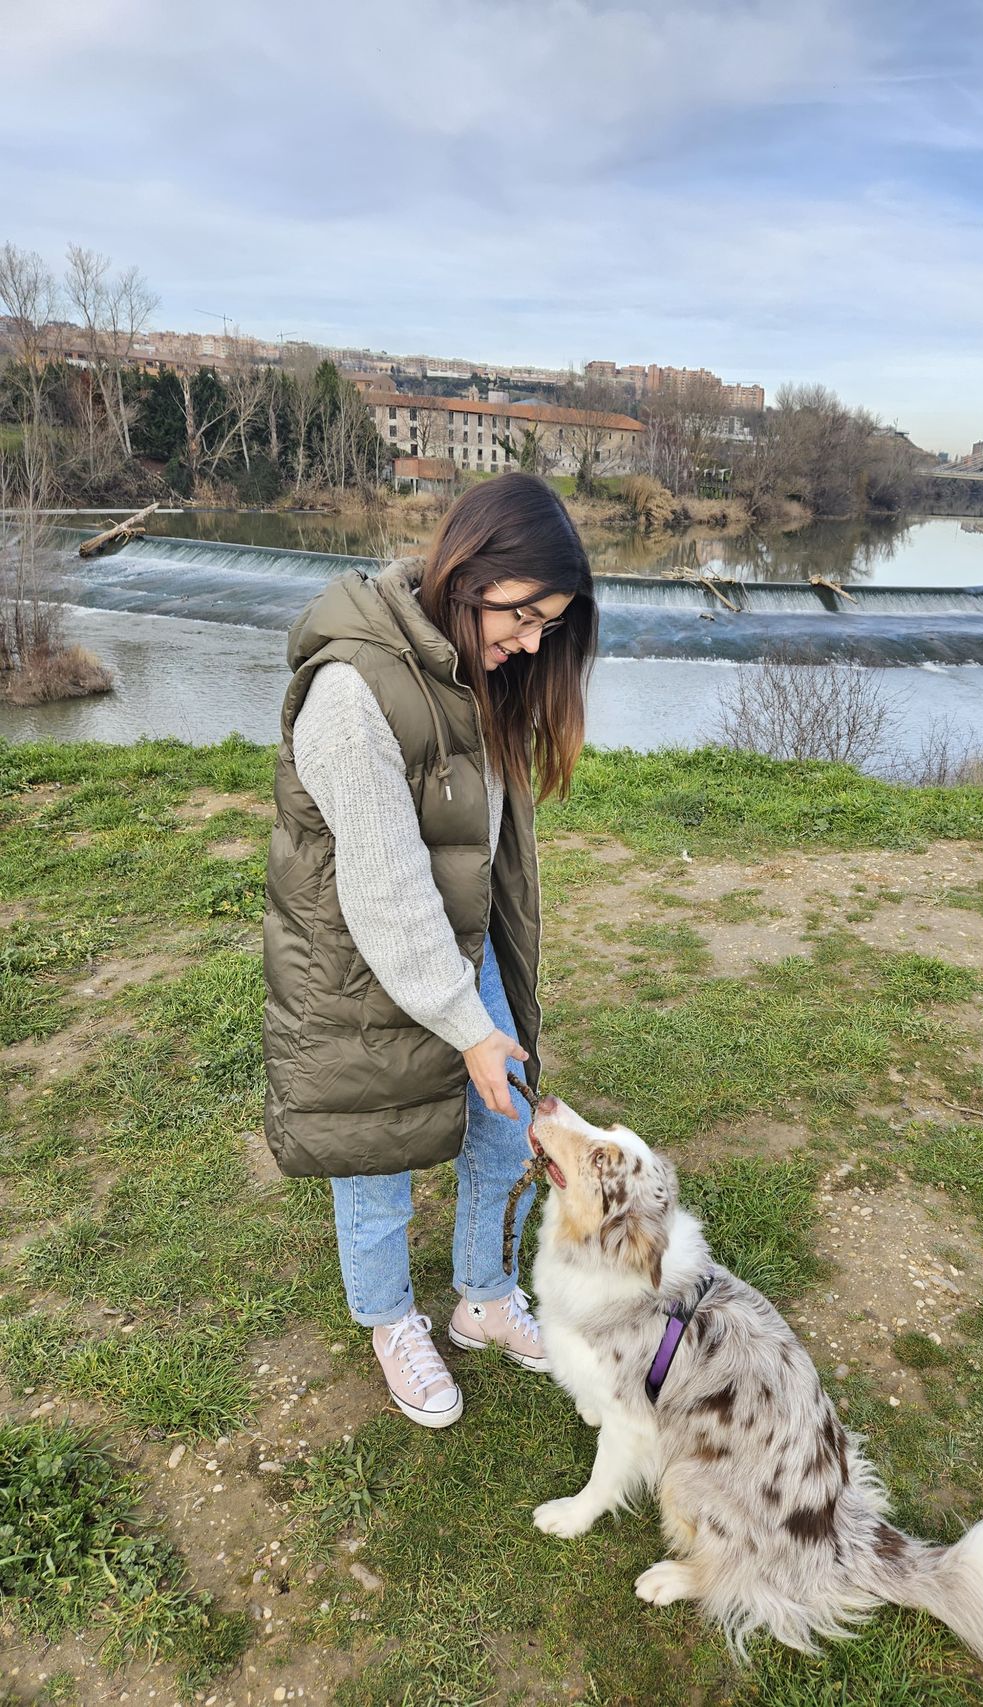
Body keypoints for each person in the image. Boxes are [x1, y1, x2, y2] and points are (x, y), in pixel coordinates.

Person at [262, 473, 598, 1428]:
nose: (533, 641)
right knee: (378, 1143)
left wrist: (480, 1001)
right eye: (526, 614)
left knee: (504, 1124)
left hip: (450, 939)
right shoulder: (347, 690)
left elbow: (473, 841)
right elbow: (386, 891)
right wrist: (465, 1023)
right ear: (469, 566)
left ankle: (483, 1295)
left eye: (550, 624)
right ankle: (388, 1317)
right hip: (360, 956)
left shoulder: (471, 664)